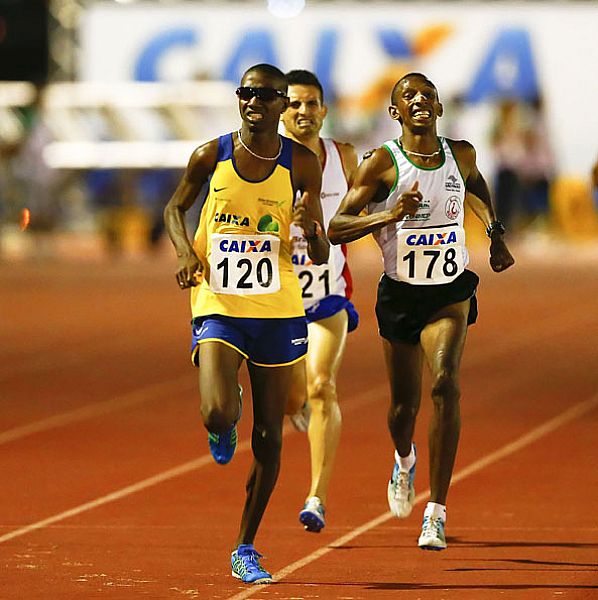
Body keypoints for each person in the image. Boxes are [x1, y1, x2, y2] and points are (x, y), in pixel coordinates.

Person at [328, 72, 514, 551]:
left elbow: (474, 188)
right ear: (394, 113)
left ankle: (436, 511)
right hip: (401, 295)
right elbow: (337, 226)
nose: (418, 100)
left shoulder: (463, 154)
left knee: (446, 384)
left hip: (449, 291)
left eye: (426, 94)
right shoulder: (381, 165)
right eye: (407, 96)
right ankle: (404, 459)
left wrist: (493, 235)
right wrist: (389, 214)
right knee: (402, 409)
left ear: (439, 107)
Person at [163, 63, 329, 584]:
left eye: (264, 95)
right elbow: (174, 209)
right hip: (218, 298)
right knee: (216, 408)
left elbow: (321, 244)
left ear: (283, 104)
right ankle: (222, 424)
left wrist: (310, 229)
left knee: (271, 438)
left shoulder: (301, 163)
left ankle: (246, 546)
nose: (253, 102)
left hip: (278, 305)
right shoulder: (210, 155)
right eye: (245, 94)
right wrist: (183, 253)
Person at [280, 70, 359, 533]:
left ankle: (317, 497)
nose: (304, 112)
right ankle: (297, 410)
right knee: (294, 400)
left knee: (322, 385)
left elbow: (367, 212)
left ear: (324, 110)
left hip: (329, 296)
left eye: (312, 103)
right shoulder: (264, 163)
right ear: (280, 110)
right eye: (294, 104)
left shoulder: (342, 156)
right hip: (278, 303)